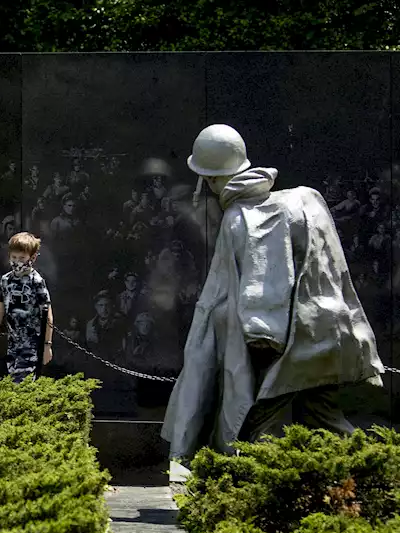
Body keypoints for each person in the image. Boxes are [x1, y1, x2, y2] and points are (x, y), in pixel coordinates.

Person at [162, 124, 383, 461]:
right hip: (327, 330)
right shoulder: (304, 199)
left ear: (208, 179)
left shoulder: (238, 219)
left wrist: (255, 346)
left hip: (285, 346)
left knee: (261, 427)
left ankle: (262, 496)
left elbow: (259, 293)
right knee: (324, 418)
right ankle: (375, 471)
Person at [0, 231, 53, 382]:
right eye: (14, 257)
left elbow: (48, 314)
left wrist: (47, 345)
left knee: (22, 383)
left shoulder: (36, 282)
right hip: (13, 343)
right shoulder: (6, 280)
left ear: (32, 258)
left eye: (22, 258)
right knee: (17, 383)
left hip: (32, 344)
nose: (17, 261)